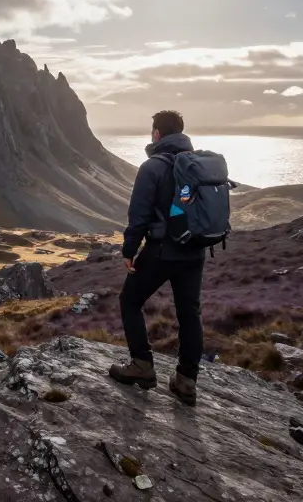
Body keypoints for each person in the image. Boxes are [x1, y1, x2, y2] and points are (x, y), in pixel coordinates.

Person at [108, 110, 206, 405]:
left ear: (157, 135)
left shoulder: (153, 167)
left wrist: (129, 251)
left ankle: (142, 365)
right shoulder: (198, 165)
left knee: (130, 301)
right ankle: (186, 381)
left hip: (163, 250)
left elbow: (139, 215)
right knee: (190, 314)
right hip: (195, 251)